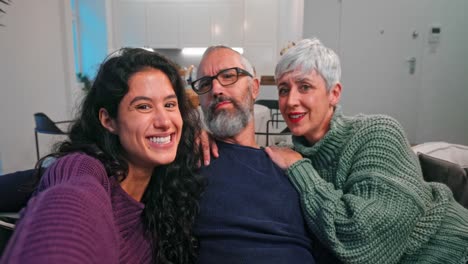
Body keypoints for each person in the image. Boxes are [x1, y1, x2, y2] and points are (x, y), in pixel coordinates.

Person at [264, 38, 468, 264]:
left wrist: (299, 169)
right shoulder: (290, 155)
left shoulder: (377, 133)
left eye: (305, 87)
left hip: (452, 252)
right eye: (284, 90)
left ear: (334, 93)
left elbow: (366, 242)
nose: (291, 101)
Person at [0, 48, 204, 264]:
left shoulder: (166, 187)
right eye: (143, 106)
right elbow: (71, 205)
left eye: (170, 105)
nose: (164, 121)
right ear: (108, 121)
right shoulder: (84, 169)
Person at [190, 45, 318, 263]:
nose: (216, 89)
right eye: (204, 83)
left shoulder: (293, 165)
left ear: (255, 88)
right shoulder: (191, 159)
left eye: (229, 76)